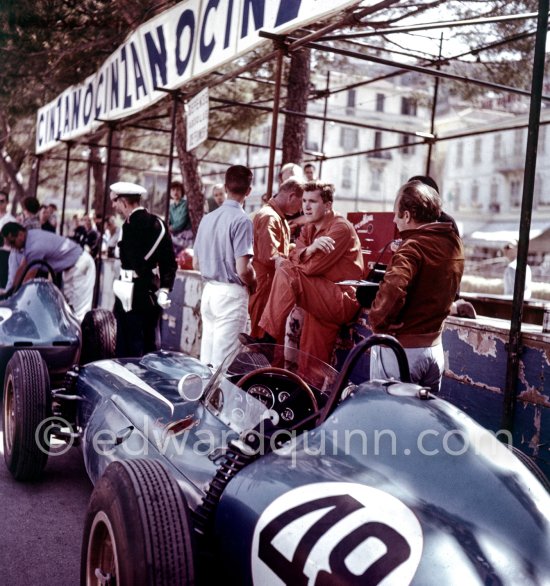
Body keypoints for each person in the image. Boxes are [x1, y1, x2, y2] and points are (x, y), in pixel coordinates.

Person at [368, 180, 464, 393]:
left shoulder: (411, 247)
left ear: (408, 216)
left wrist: (377, 322)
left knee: (388, 420)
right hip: (435, 350)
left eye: (396, 214)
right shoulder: (454, 243)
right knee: (421, 423)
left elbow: (393, 290)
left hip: (402, 353)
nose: (394, 220)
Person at [253, 181, 364, 364]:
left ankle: (267, 339)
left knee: (286, 270)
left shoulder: (340, 228)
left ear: (328, 205)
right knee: (310, 364)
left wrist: (302, 256)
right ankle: (269, 342)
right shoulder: (309, 228)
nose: (306, 206)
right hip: (318, 293)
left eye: (312, 201)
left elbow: (311, 267)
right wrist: (310, 250)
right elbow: (296, 255)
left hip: (339, 298)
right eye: (304, 200)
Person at [193, 165, 256, 368]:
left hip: (209, 291)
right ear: (249, 191)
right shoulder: (242, 220)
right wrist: (253, 282)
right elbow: (243, 269)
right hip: (231, 293)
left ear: (226, 188)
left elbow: (195, 263)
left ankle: (202, 399)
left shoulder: (207, 219)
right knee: (224, 365)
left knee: (207, 361)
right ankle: (219, 401)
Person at [110, 181, 177, 357]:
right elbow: (169, 262)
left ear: (123, 201)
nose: (113, 205)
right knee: (149, 342)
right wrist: (162, 290)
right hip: (149, 292)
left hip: (132, 290)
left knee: (128, 346)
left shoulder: (131, 225)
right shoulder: (158, 224)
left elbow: (135, 261)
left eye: (115, 201)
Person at [1, 221, 96, 321]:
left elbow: (28, 278)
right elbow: (22, 268)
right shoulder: (30, 238)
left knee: (79, 312)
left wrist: (14, 298)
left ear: (20, 234)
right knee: (69, 310)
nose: (13, 247)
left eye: (12, 242)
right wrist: (10, 292)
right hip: (71, 268)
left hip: (80, 264)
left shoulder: (35, 246)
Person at [249, 177, 305, 337]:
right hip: (265, 286)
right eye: (301, 203)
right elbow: (270, 256)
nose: (301, 209)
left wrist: (293, 249)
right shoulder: (270, 217)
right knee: (259, 339)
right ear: (291, 196)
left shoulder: (275, 216)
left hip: (268, 284)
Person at [169, 180, 193, 252]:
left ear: (182, 192)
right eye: (173, 190)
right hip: (175, 234)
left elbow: (181, 222)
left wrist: (170, 228)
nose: (175, 192)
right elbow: (170, 221)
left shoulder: (185, 204)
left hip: (185, 235)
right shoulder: (171, 206)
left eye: (178, 190)